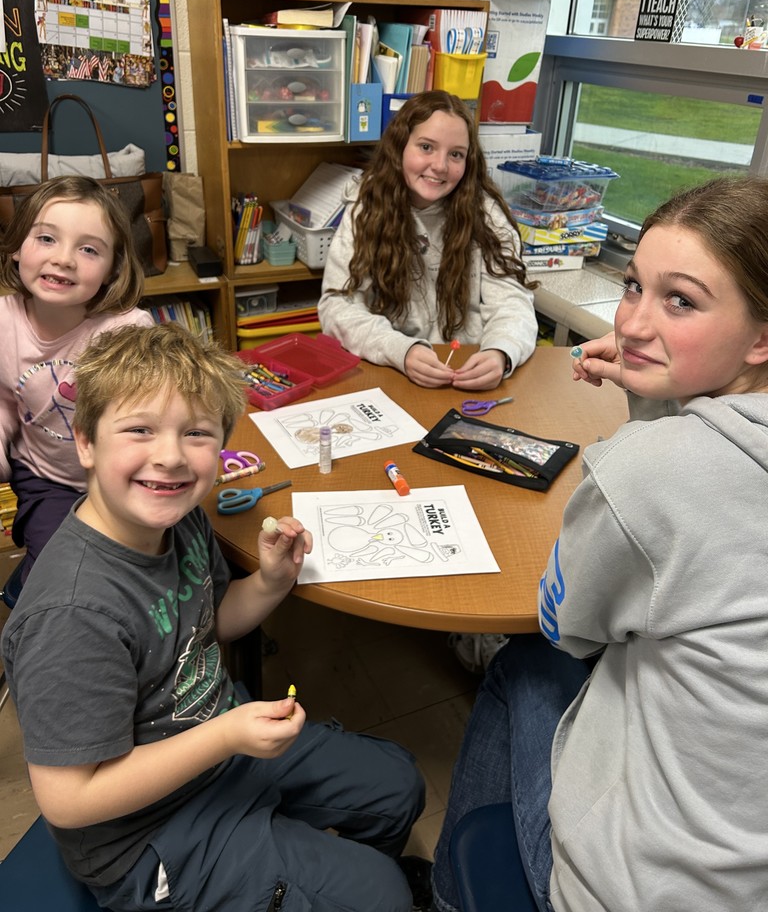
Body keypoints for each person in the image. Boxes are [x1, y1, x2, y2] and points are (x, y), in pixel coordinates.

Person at [1, 322, 428, 912]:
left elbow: (210, 623)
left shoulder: (178, 519)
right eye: (139, 429)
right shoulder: (73, 614)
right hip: (145, 835)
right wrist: (224, 735)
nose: (171, 457)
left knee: (397, 785)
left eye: (196, 432)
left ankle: (313, 876)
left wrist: (273, 581)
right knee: (383, 895)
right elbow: (70, 799)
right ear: (85, 443)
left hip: (215, 747)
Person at [431, 175, 768, 912]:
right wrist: (662, 389)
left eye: (681, 300)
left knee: (526, 661)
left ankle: (454, 893)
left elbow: (568, 627)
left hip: (641, 888)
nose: (637, 325)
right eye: (633, 287)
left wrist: (649, 412)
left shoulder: (651, 474)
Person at [318, 90, 538, 394]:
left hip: (466, 373)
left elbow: (513, 302)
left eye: (456, 154)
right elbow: (337, 306)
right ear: (399, 148)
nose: (440, 166)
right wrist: (401, 350)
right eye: (426, 147)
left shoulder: (486, 214)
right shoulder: (366, 207)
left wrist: (501, 351)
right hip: (392, 374)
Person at [0, 175, 153, 587]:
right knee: (58, 572)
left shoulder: (128, 330)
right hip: (45, 477)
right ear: (17, 247)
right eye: (47, 239)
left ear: (112, 269)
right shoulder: (2, 321)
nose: (64, 259)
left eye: (88, 249)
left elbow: (147, 421)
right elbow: (2, 403)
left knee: (143, 567)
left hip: (121, 478)